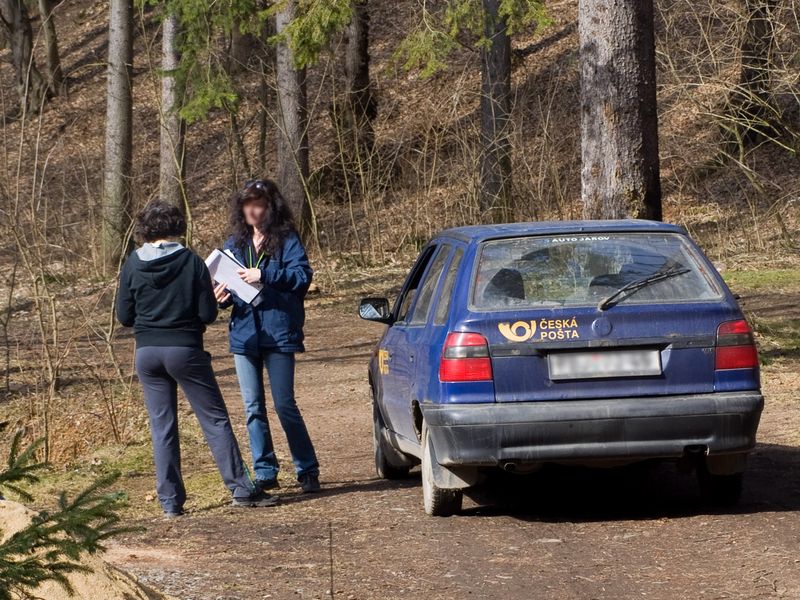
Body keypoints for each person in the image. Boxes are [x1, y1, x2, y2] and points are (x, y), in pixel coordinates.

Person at [116, 200, 277, 517]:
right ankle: (241, 489)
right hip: (185, 350)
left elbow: (124, 316)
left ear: (145, 230)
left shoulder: (132, 264)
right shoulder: (191, 262)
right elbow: (206, 313)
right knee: (214, 420)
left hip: (147, 353)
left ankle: (170, 502)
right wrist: (209, 300)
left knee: (162, 426)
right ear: (178, 227)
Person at [213, 179, 321, 493]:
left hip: (278, 332)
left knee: (284, 403)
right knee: (252, 407)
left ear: (270, 207)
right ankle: (265, 471)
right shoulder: (235, 242)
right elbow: (232, 286)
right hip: (245, 334)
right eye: (247, 204)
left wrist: (265, 274)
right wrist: (224, 297)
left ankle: (307, 469)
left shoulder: (286, 239)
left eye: (258, 204)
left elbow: (302, 277)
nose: (252, 210)